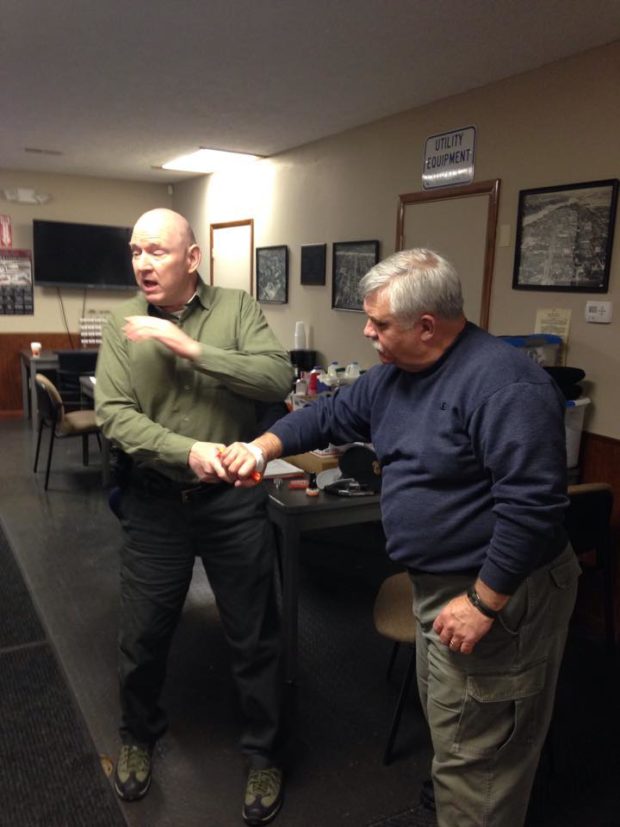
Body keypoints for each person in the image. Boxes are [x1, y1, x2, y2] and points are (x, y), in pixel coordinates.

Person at [220, 248, 580, 826]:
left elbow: (533, 507)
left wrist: (485, 600)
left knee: (479, 762)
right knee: (456, 730)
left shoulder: (504, 385)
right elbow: (329, 416)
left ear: (427, 326)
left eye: (378, 323)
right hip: (439, 585)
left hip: (497, 592)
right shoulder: (395, 377)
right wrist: (261, 446)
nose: (367, 332)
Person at [95, 208, 293, 825]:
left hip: (233, 505)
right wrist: (188, 451)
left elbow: (275, 376)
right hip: (157, 504)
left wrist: (191, 347)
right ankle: (136, 735)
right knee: (143, 632)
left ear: (191, 258)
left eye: (156, 250)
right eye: (135, 252)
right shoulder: (122, 322)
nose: (143, 263)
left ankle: (264, 752)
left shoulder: (236, 309)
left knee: (254, 633)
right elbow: (115, 416)